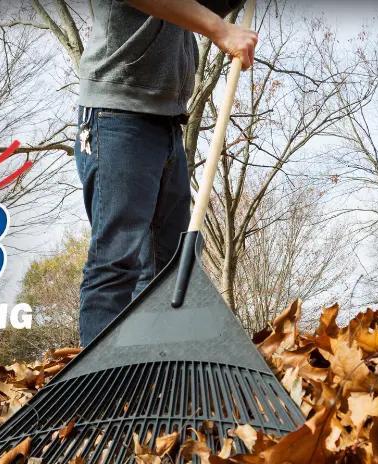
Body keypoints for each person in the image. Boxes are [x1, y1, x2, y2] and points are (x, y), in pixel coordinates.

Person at [75, 0, 257, 347]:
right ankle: (97, 392)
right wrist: (221, 30)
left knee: (165, 270)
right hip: (117, 114)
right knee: (116, 263)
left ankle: (151, 382)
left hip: (168, 120)